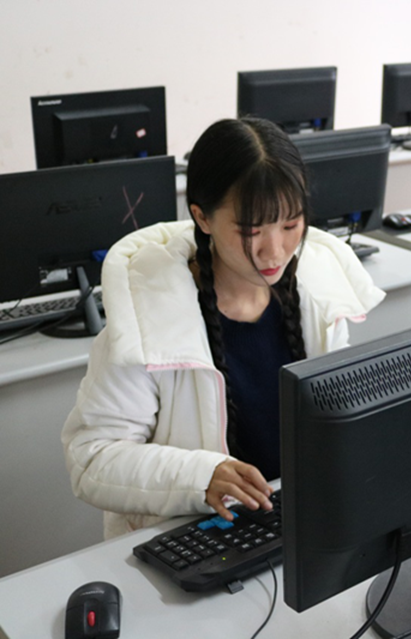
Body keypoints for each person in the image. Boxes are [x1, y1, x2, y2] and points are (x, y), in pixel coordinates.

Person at [62, 117, 385, 539]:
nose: (275, 251)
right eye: (251, 230)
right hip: (193, 538)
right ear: (203, 217)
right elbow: (92, 458)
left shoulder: (319, 297)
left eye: (291, 225)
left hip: (298, 524)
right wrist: (200, 476)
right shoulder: (146, 318)